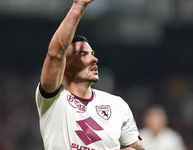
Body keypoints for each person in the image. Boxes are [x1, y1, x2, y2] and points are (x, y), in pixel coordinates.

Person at [35, 0, 144, 150]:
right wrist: (79, 5)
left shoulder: (117, 105)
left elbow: (136, 147)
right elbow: (55, 53)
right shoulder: (53, 99)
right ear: (64, 66)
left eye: (92, 54)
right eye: (83, 54)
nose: (94, 59)